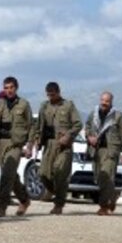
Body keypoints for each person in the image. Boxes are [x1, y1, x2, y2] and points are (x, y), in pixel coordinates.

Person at [0, 77, 36, 217]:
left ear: (16, 88)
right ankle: (24, 199)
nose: (8, 90)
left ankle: (2, 206)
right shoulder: (0, 104)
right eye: (6, 88)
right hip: (0, 144)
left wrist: (30, 146)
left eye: (11, 87)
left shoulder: (24, 104)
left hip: (15, 144)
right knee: (12, 176)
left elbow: (31, 126)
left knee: (7, 174)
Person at [34, 82, 81, 215]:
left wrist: (68, 136)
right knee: (43, 173)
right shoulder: (44, 106)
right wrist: (37, 139)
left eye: (53, 95)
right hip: (49, 144)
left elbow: (78, 124)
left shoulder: (68, 106)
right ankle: (56, 191)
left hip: (63, 145)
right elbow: (39, 125)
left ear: (58, 92)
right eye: (49, 95)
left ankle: (59, 204)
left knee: (60, 172)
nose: (51, 97)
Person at [85, 91, 122, 215]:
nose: (104, 103)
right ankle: (112, 196)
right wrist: (89, 137)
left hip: (111, 151)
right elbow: (87, 127)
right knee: (99, 178)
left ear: (111, 102)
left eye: (107, 101)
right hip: (96, 151)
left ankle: (104, 206)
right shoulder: (93, 114)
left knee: (107, 176)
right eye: (103, 100)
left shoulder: (118, 116)